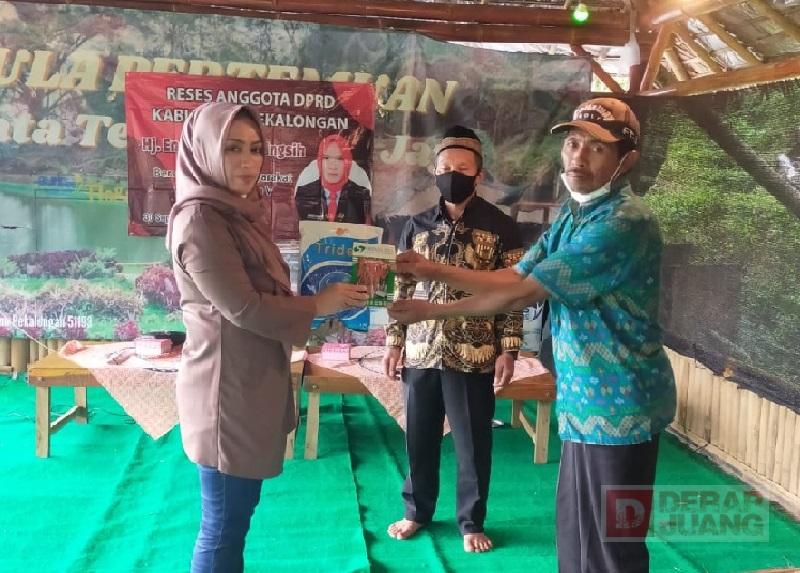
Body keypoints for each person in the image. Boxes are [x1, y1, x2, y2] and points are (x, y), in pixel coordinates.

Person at [388, 99, 677, 573]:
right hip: (582, 402)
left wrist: (431, 302)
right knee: (576, 537)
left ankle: (470, 519)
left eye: (597, 148)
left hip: (621, 406)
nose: (578, 156)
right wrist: (425, 285)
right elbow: (515, 276)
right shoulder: (573, 215)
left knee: (614, 547)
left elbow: (522, 291)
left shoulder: (623, 222)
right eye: (573, 143)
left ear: (626, 159)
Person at [166, 102, 368, 573]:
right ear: (204, 152)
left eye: (255, 149)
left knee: (234, 520)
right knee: (222, 528)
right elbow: (245, 307)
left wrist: (327, 299)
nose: (247, 161)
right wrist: (319, 305)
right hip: (226, 392)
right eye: (232, 148)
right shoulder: (200, 220)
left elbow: (264, 292)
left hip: (249, 382)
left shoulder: (238, 213)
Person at [383, 126, 524, 553]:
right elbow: (402, 289)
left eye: (462, 168)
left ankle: (470, 521)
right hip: (421, 349)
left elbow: (514, 292)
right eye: (445, 167)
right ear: (434, 171)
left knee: (473, 443)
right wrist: (394, 342)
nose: (452, 174)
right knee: (419, 438)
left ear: (478, 175)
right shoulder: (415, 226)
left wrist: (509, 348)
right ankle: (416, 511)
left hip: (474, 351)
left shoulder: (501, 227)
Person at [294, 134, 372, 224]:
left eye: (340, 158)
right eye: (326, 158)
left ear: (348, 163)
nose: (333, 166)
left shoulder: (362, 194)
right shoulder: (303, 193)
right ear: (319, 162)